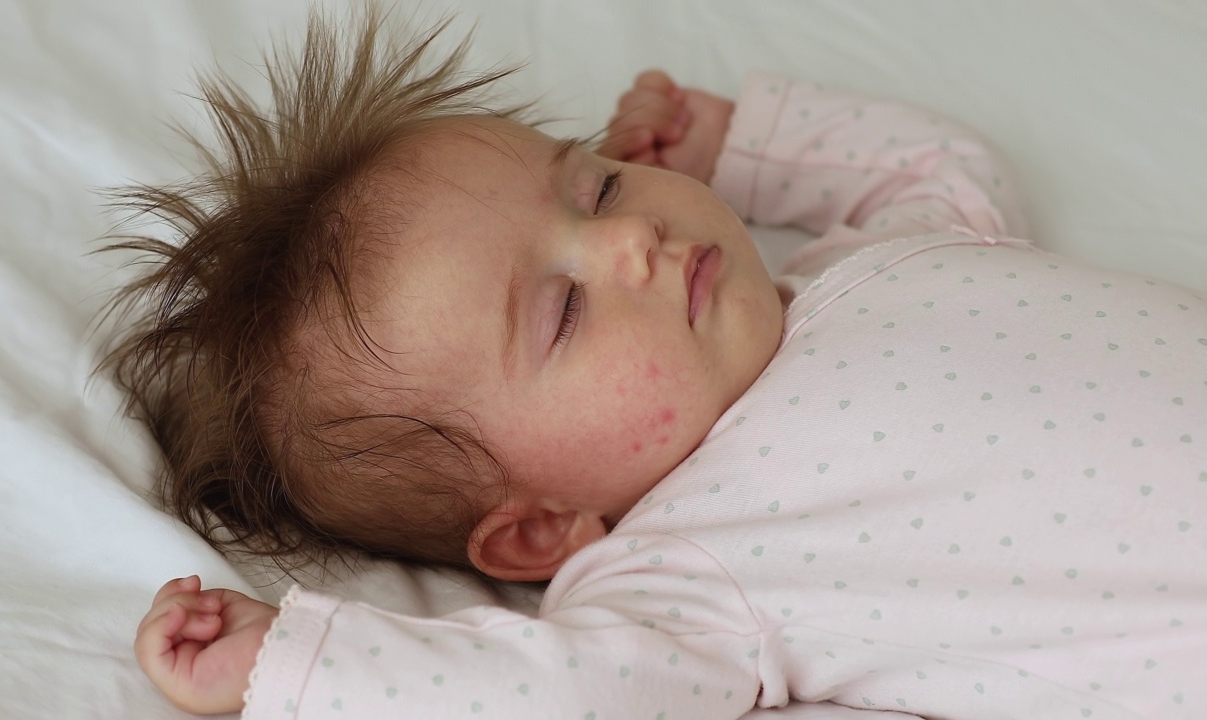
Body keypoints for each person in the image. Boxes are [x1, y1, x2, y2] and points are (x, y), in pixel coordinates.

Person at [121, 9, 1207, 720]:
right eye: (561, 313)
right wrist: (299, 666)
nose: (627, 242)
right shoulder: (683, 571)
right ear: (537, 527)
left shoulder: (863, 262)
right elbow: (558, 696)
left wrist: (734, 142)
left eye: (592, 188)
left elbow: (945, 171)